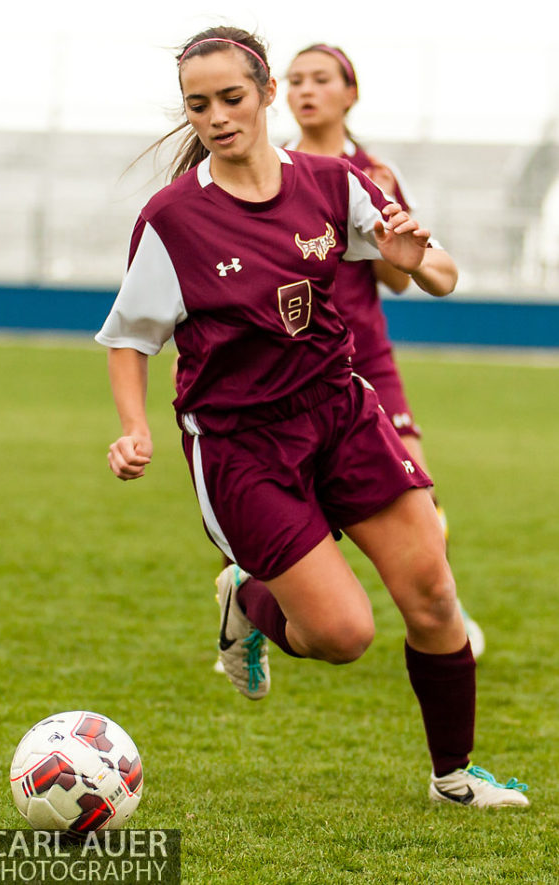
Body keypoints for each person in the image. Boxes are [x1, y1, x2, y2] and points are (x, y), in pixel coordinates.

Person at [96, 26, 527, 807]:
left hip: (341, 410)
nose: (219, 116)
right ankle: (246, 598)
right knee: (343, 635)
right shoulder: (173, 221)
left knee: (433, 593)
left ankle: (455, 779)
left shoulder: (335, 182)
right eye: (200, 105)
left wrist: (410, 259)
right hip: (242, 445)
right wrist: (135, 427)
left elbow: (441, 274)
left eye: (232, 97)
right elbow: (129, 339)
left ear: (264, 94)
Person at [285, 43, 485, 656]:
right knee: (293, 504)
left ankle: (441, 608)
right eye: (294, 80)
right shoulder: (272, 171)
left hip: (366, 356)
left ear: (351, 93)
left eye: (320, 79)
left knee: (419, 491)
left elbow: (399, 279)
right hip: (295, 364)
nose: (305, 90)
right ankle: (264, 608)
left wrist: (376, 235)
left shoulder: (375, 173)